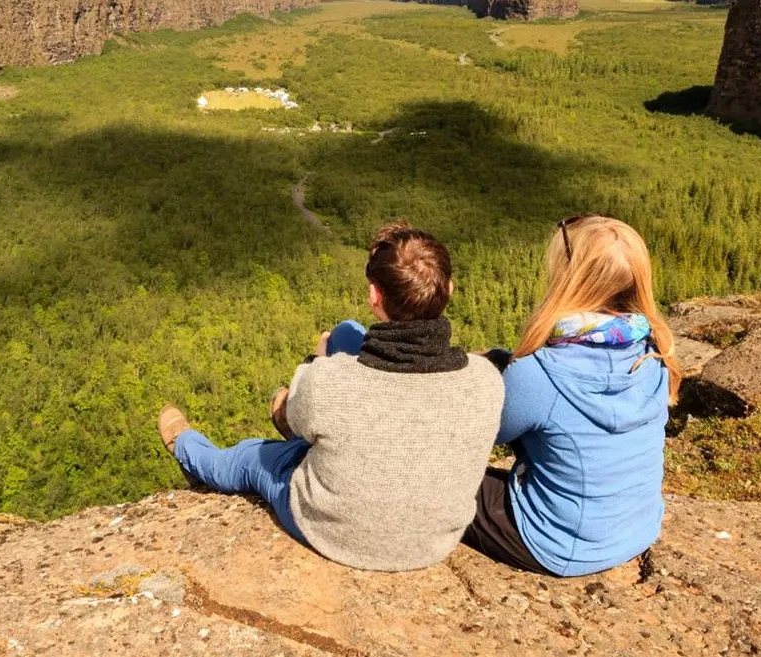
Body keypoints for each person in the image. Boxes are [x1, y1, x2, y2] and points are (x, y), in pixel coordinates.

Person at [157, 222, 504, 572]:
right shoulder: (487, 380)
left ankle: (189, 449)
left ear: (374, 296)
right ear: (449, 289)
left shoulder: (330, 381)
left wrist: (318, 363)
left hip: (336, 531)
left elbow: (321, 401)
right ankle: (308, 421)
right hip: (434, 543)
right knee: (348, 333)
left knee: (252, 457)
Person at [463, 214, 682, 577]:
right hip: (637, 529)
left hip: (558, 544)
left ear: (569, 276)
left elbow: (488, 430)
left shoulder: (541, 372)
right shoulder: (656, 352)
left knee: (439, 480)